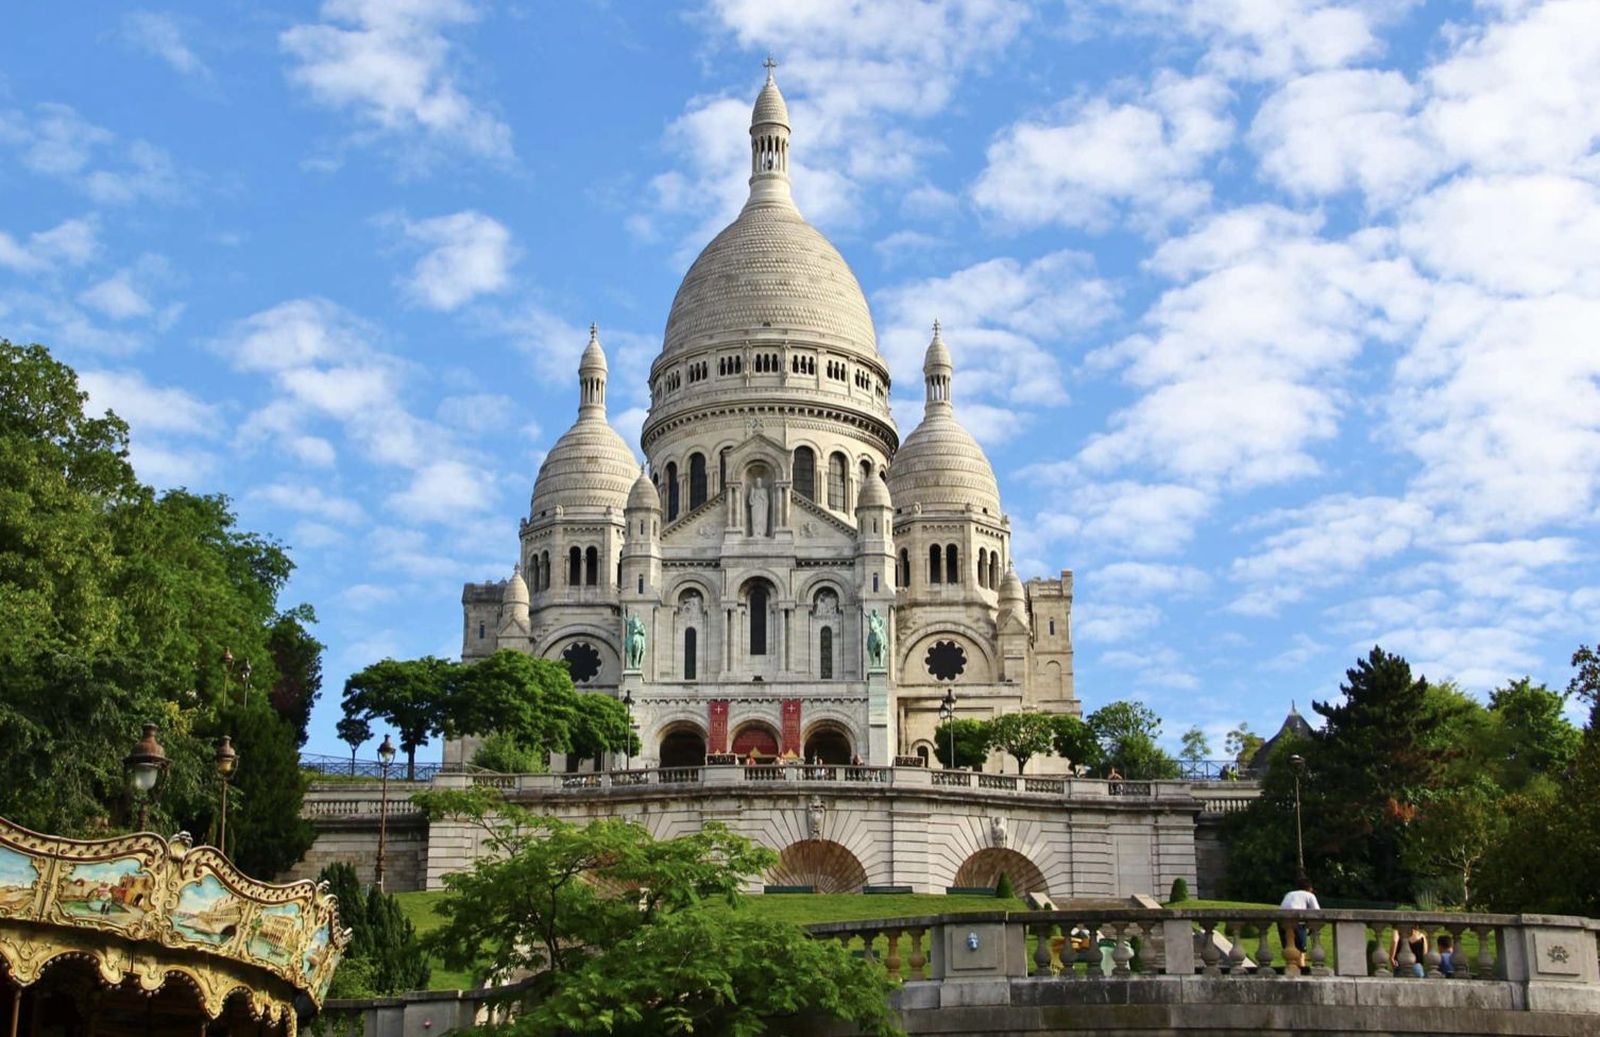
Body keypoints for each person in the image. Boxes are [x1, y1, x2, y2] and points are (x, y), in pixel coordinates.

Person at [1278, 873, 1320, 970]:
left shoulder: (1289, 894)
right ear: (1310, 888)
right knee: (1301, 950)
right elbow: (1317, 912)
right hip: (1297, 921)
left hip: (1282, 922)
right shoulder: (1309, 895)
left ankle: (1291, 970)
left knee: (1289, 949)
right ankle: (1302, 969)